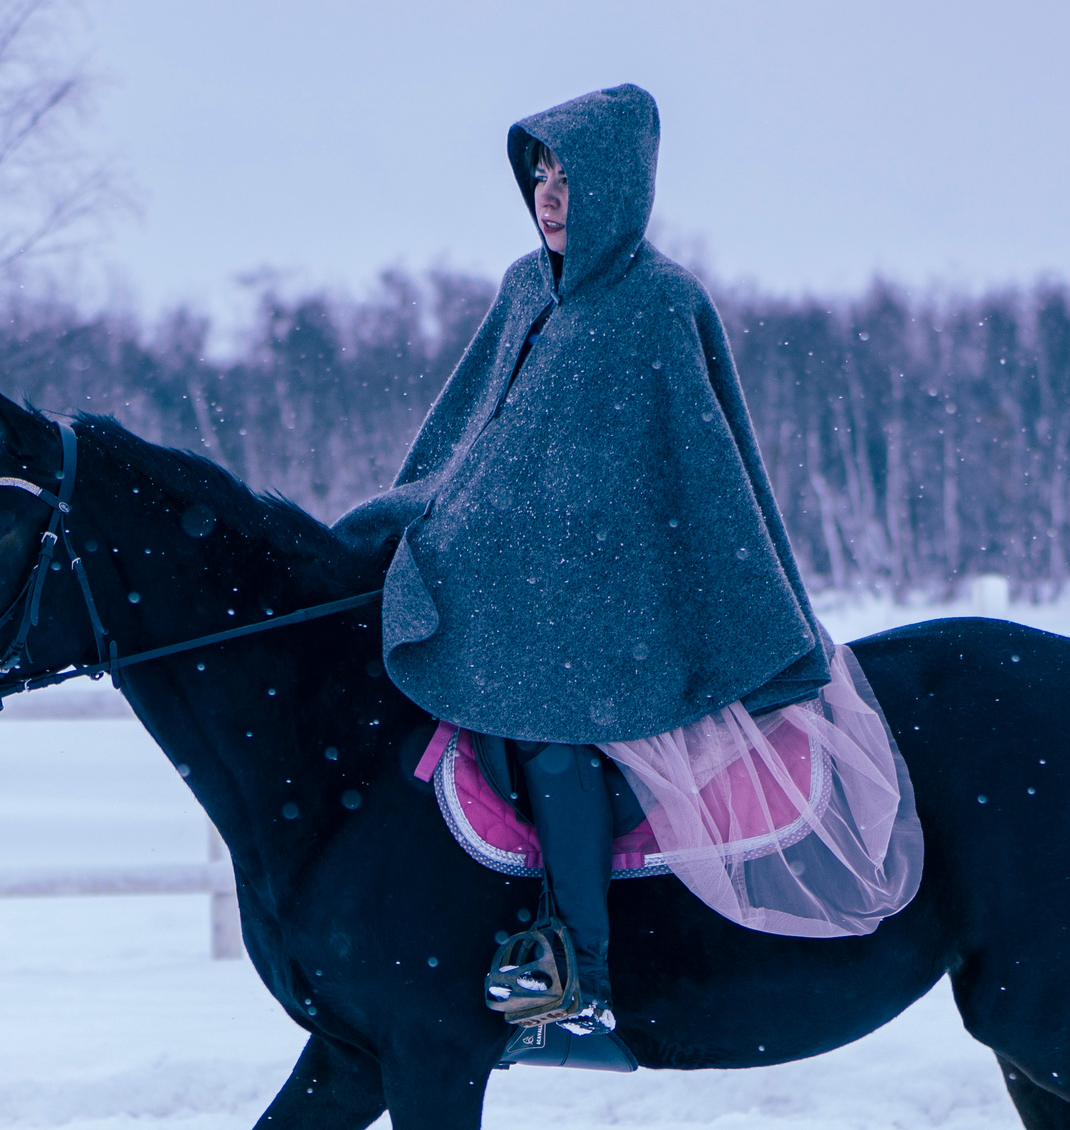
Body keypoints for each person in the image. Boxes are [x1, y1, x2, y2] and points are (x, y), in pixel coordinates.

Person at [335, 84, 919, 1045]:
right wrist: (430, 519)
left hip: (628, 605)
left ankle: (581, 972)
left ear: (619, 185)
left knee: (553, 739)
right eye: (540, 174)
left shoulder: (660, 304)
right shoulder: (525, 288)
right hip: (518, 590)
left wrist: (558, 551)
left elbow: (684, 479)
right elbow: (475, 441)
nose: (550, 195)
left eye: (571, 176)